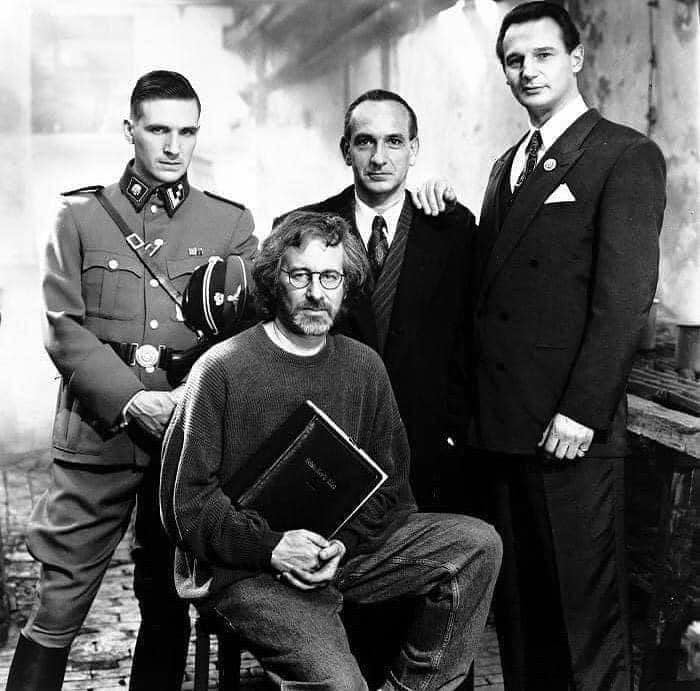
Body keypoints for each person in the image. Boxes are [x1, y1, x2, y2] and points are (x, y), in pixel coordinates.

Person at [160, 211, 502, 690]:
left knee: (477, 545)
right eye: (300, 276)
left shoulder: (363, 367)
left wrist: (345, 545)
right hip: (246, 570)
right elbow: (187, 507)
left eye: (330, 277)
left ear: (346, 285)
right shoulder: (221, 369)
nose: (316, 293)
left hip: (339, 555)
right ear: (274, 280)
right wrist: (273, 548)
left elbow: (392, 489)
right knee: (342, 685)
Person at [6, 70, 257, 691]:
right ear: (130, 130)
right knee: (59, 600)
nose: (173, 146)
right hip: (100, 436)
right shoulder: (80, 217)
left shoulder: (230, 224)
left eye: (187, 132)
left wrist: (188, 400)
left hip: (186, 436)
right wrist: (131, 398)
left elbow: (243, 334)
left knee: (167, 598)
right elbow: (63, 327)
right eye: (158, 130)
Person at [468, 3, 666, 689]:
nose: (528, 70)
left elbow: (624, 301)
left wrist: (582, 410)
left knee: (585, 632)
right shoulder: (507, 165)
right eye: (514, 60)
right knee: (523, 624)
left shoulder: (623, 155)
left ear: (576, 59)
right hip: (506, 431)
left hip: (570, 433)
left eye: (543, 54)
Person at [282, 89, 476, 511]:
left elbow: (470, 340)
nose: (379, 158)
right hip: (333, 441)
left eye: (394, 141)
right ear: (345, 150)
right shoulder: (301, 228)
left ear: (414, 149)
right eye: (365, 141)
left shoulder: (453, 228)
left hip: (430, 448)